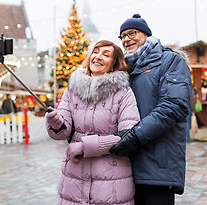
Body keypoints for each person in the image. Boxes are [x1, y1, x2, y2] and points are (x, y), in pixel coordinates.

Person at [110, 14, 192, 205]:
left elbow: (174, 105)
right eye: (122, 36)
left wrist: (135, 135)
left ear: (146, 35)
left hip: (158, 163)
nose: (126, 39)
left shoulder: (170, 61)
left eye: (132, 33)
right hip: (127, 165)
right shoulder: (124, 69)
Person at [45, 40, 140, 204]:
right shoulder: (72, 89)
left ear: (114, 64)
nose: (98, 57)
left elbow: (128, 137)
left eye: (106, 54)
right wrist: (55, 122)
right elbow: (63, 131)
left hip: (111, 183)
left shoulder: (124, 93)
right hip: (74, 180)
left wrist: (84, 146)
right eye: (95, 52)